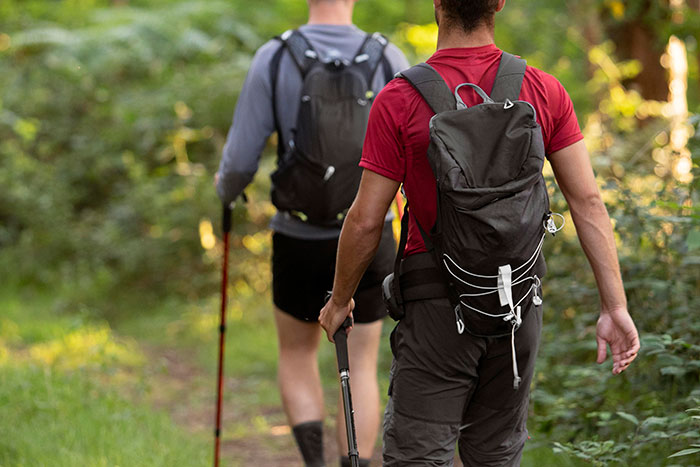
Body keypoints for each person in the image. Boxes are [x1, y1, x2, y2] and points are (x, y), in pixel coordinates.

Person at [319, 0, 641, 465]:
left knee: (418, 456)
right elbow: (588, 202)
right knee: (495, 455)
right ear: (500, 4)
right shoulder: (542, 89)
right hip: (517, 308)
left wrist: (340, 300)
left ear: (437, 4)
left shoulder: (399, 99)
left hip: (435, 309)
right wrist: (615, 306)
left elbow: (367, 219)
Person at [215, 1, 409, 465]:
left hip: (298, 235)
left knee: (298, 354)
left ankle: (314, 462)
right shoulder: (388, 59)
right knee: (361, 362)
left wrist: (226, 193)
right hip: (369, 231)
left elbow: (240, 161)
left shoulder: (275, 56)